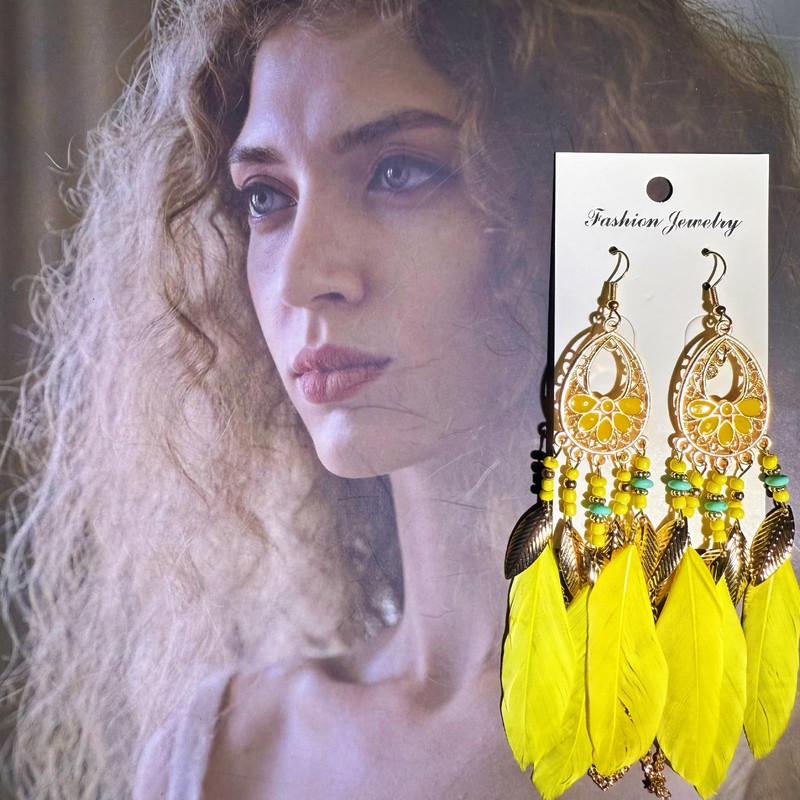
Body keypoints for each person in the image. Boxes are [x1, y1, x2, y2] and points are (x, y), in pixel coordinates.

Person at [2, 1, 798, 798]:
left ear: (578, 198)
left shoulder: (755, 739)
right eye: (266, 197)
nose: (301, 275)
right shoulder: (219, 753)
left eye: (399, 172)